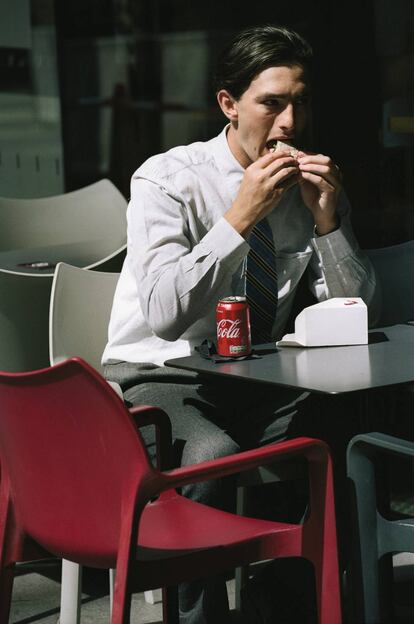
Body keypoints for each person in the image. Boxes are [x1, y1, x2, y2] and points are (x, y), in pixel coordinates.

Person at [102, 24, 379, 623]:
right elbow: (165, 316)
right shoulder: (167, 180)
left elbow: (356, 313)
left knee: (345, 432)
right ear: (228, 104)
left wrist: (329, 226)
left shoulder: (311, 185)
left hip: (258, 377)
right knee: (208, 452)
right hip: (160, 374)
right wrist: (236, 219)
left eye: (300, 103)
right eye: (271, 103)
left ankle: (282, 598)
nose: (289, 123)